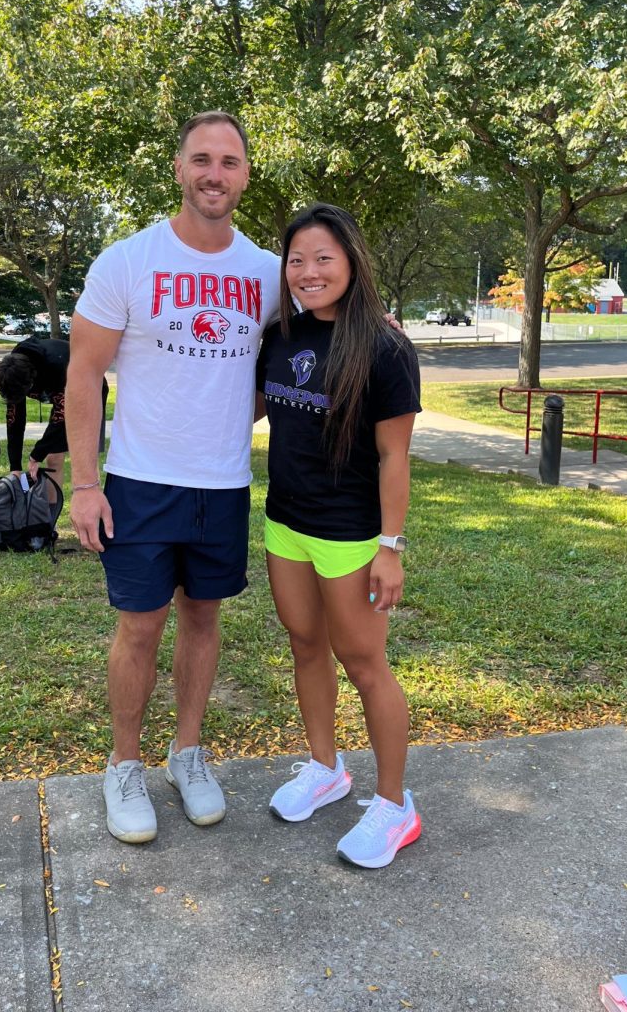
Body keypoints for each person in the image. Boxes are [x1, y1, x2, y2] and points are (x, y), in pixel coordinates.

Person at [65, 111, 281, 844]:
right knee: (140, 625)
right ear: (179, 167)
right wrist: (87, 485)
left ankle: (187, 752)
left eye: (229, 161)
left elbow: (280, 370)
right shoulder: (127, 261)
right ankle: (123, 764)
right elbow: (84, 375)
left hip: (221, 485)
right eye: (201, 159)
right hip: (139, 482)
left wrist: (225, 415)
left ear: (246, 174)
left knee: (204, 618)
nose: (214, 173)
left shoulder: (268, 274)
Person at [254, 202, 422, 869]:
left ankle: (394, 806)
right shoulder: (281, 335)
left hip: (351, 534)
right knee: (304, 645)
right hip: (286, 522)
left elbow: (395, 458)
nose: (309, 271)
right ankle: (326, 769)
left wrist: (391, 547)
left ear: (352, 260)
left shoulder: (385, 348)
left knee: (364, 664)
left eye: (324, 257)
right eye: (297, 260)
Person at [0, 335, 108, 499]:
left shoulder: (57, 366)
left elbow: (61, 418)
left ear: (32, 381)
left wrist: (36, 454)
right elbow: (15, 420)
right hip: (60, 393)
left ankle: (92, 503)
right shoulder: (13, 371)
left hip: (90, 389)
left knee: (85, 458)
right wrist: (15, 466)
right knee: (53, 459)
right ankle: (48, 519)